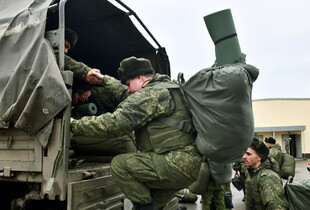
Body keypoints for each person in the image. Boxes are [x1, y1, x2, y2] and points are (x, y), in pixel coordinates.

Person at [70, 56, 202, 209]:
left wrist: (75, 124)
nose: (128, 89)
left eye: (128, 84)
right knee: (151, 204)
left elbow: (115, 123)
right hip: (186, 165)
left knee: (120, 165)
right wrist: (103, 79)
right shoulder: (166, 87)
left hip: (174, 163)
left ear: (140, 77)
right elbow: (127, 94)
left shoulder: (151, 94)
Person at [243, 138, 288, 210]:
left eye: (248, 154)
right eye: (244, 153)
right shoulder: (251, 172)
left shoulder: (267, 177)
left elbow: (277, 207)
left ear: (259, 157)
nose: (244, 157)